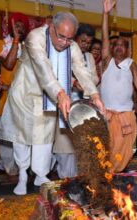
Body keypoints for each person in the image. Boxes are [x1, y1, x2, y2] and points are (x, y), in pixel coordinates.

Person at [0, 12, 105, 195]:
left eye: (69, 38)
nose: (64, 42)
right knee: (21, 136)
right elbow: (43, 68)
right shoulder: (35, 37)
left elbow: (81, 69)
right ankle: (23, 174)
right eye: (61, 36)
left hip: (47, 99)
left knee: (44, 138)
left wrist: (94, 95)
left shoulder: (71, 45)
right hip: (24, 93)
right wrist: (61, 93)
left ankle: (40, 174)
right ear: (51, 28)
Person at [101, 0, 137, 172]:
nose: (119, 48)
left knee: (124, 151)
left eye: (123, 46)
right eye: (117, 45)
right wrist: (106, 14)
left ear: (128, 50)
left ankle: (118, 176)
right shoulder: (107, 61)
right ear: (112, 48)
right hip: (108, 114)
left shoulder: (131, 64)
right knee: (106, 149)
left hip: (126, 115)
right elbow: (105, 36)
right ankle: (106, 177)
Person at [52, 23, 98, 179]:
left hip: (84, 107)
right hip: (65, 104)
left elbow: (93, 78)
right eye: (83, 41)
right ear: (75, 38)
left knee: (83, 146)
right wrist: (73, 82)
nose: (85, 45)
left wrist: (84, 84)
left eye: (89, 43)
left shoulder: (89, 57)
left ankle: (79, 181)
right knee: (65, 146)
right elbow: (54, 75)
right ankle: (65, 180)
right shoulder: (62, 52)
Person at [0, 12, 29, 175]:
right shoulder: (1, 44)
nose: (19, 29)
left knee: (19, 136)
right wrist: (15, 40)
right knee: (2, 135)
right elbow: (8, 64)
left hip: (22, 99)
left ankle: (18, 170)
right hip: (3, 97)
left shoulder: (28, 48)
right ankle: (6, 168)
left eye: (22, 27)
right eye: (16, 26)